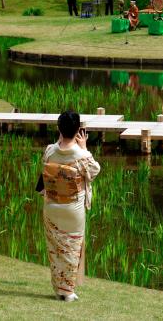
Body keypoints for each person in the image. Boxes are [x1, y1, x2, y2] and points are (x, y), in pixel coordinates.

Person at [39, 110, 101, 302]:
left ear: (58, 128)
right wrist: (84, 147)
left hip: (51, 205)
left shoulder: (50, 151)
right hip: (72, 208)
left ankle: (59, 288)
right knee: (72, 248)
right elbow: (95, 170)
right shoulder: (80, 155)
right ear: (77, 130)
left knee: (55, 248)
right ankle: (68, 291)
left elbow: (44, 168)